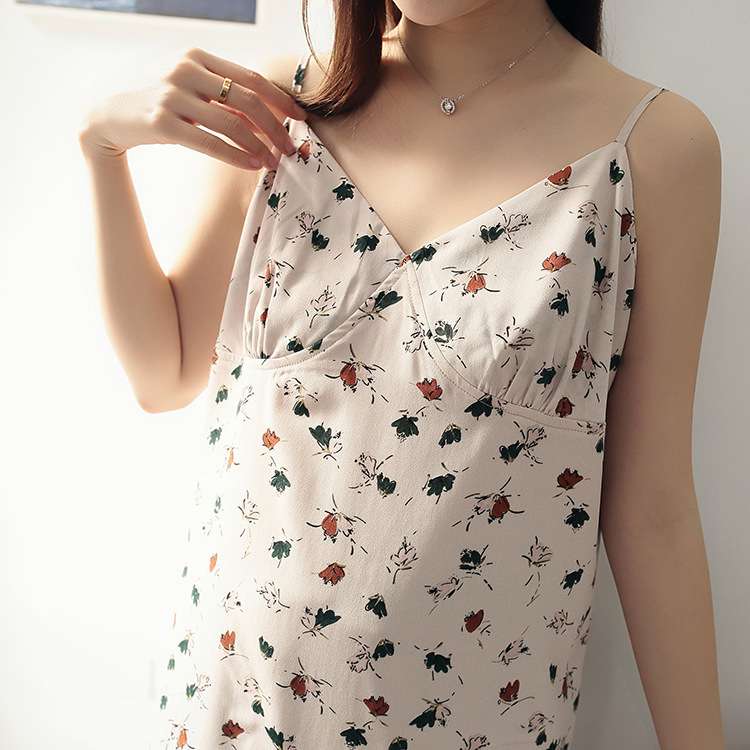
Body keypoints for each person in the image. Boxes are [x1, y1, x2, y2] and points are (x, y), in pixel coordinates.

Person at [77, 1, 726, 748]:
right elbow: (164, 374)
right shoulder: (281, 105)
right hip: (232, 704)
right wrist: (102, 147)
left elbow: (652, 509)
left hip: (472, 719)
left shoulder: (652, 148)